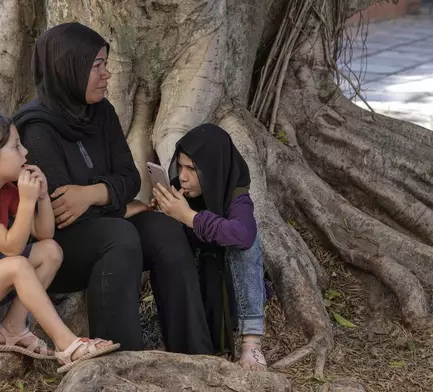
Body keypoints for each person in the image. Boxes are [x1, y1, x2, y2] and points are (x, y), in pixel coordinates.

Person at [13, 22, 213, 354]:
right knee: (118, 235)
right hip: (59, 251)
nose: (107, 74)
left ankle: (194, 352)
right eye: (96, 66)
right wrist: (116, 199)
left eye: (105, 63)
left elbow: (130, 177)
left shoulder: (101, 112)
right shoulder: (36, 127)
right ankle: (121, 358)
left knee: (163, 229)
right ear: (68, 69)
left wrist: (93, 193)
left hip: (106, 226)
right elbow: (64, 211)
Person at [0, 114, 119, 373]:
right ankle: (67, 345)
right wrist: (26, 202)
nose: (25, 152)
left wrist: (42, 196)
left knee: (51, 252)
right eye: (16, 146)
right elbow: (12, 249)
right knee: (17, 265)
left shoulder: (5, 190)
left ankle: (12, 328)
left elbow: (44, 233)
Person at [151, 123, 267, 371]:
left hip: (227, 281)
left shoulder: (236, 195)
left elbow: (244, 235)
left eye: (192, 169)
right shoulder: (181, 189)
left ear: (212, 169)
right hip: (194, 279)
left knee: (247, 244)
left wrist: (189, 217)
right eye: (180, 166)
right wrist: (166, 213)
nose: (182, 176)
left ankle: (252, 344)